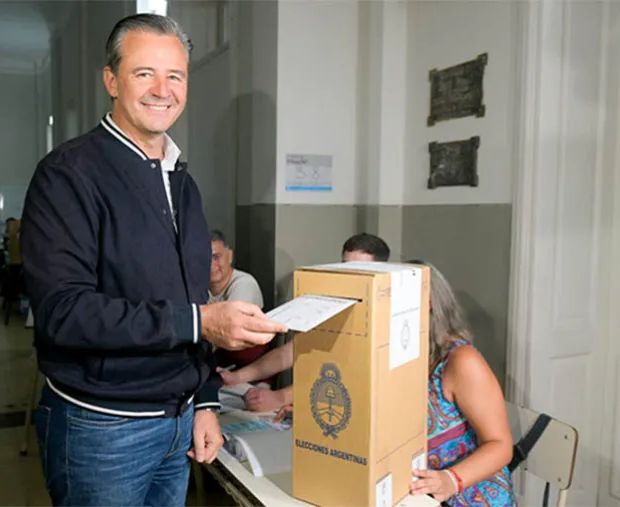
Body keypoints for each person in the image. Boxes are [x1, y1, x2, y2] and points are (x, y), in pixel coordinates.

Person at [20, 13, 287, 507]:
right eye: (145, 73)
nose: (163, 90)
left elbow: (192, 296)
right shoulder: (68, 174)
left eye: (175, 76)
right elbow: (63, 312)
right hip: (103, 427)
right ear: (111, 80)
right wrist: (200, 322)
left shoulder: (181, 181)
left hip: (179, 421)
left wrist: (204, 400)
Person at [275, 261, 515, 506]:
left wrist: (451, 479)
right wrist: (319, 419)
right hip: (409, 493)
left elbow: (501, 445)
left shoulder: (461, 361)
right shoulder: (387, 355)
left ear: (427, 303)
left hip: (469, 495)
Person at [220, 232, 392, 412]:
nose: (351, 277)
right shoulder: (335, 305)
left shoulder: (386, 319)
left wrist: (281, 397)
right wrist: (236, 377)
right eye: (345, 268)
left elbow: (351, 376)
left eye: (360, 271)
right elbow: (290, 352)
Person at [208, 229, 268, 373]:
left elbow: (226, 330)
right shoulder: (199, 286)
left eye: (216, 257)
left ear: (229, 257)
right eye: (204, 257)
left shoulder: (244, 284)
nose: (210, 264)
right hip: (217, 363)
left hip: (249, 368)